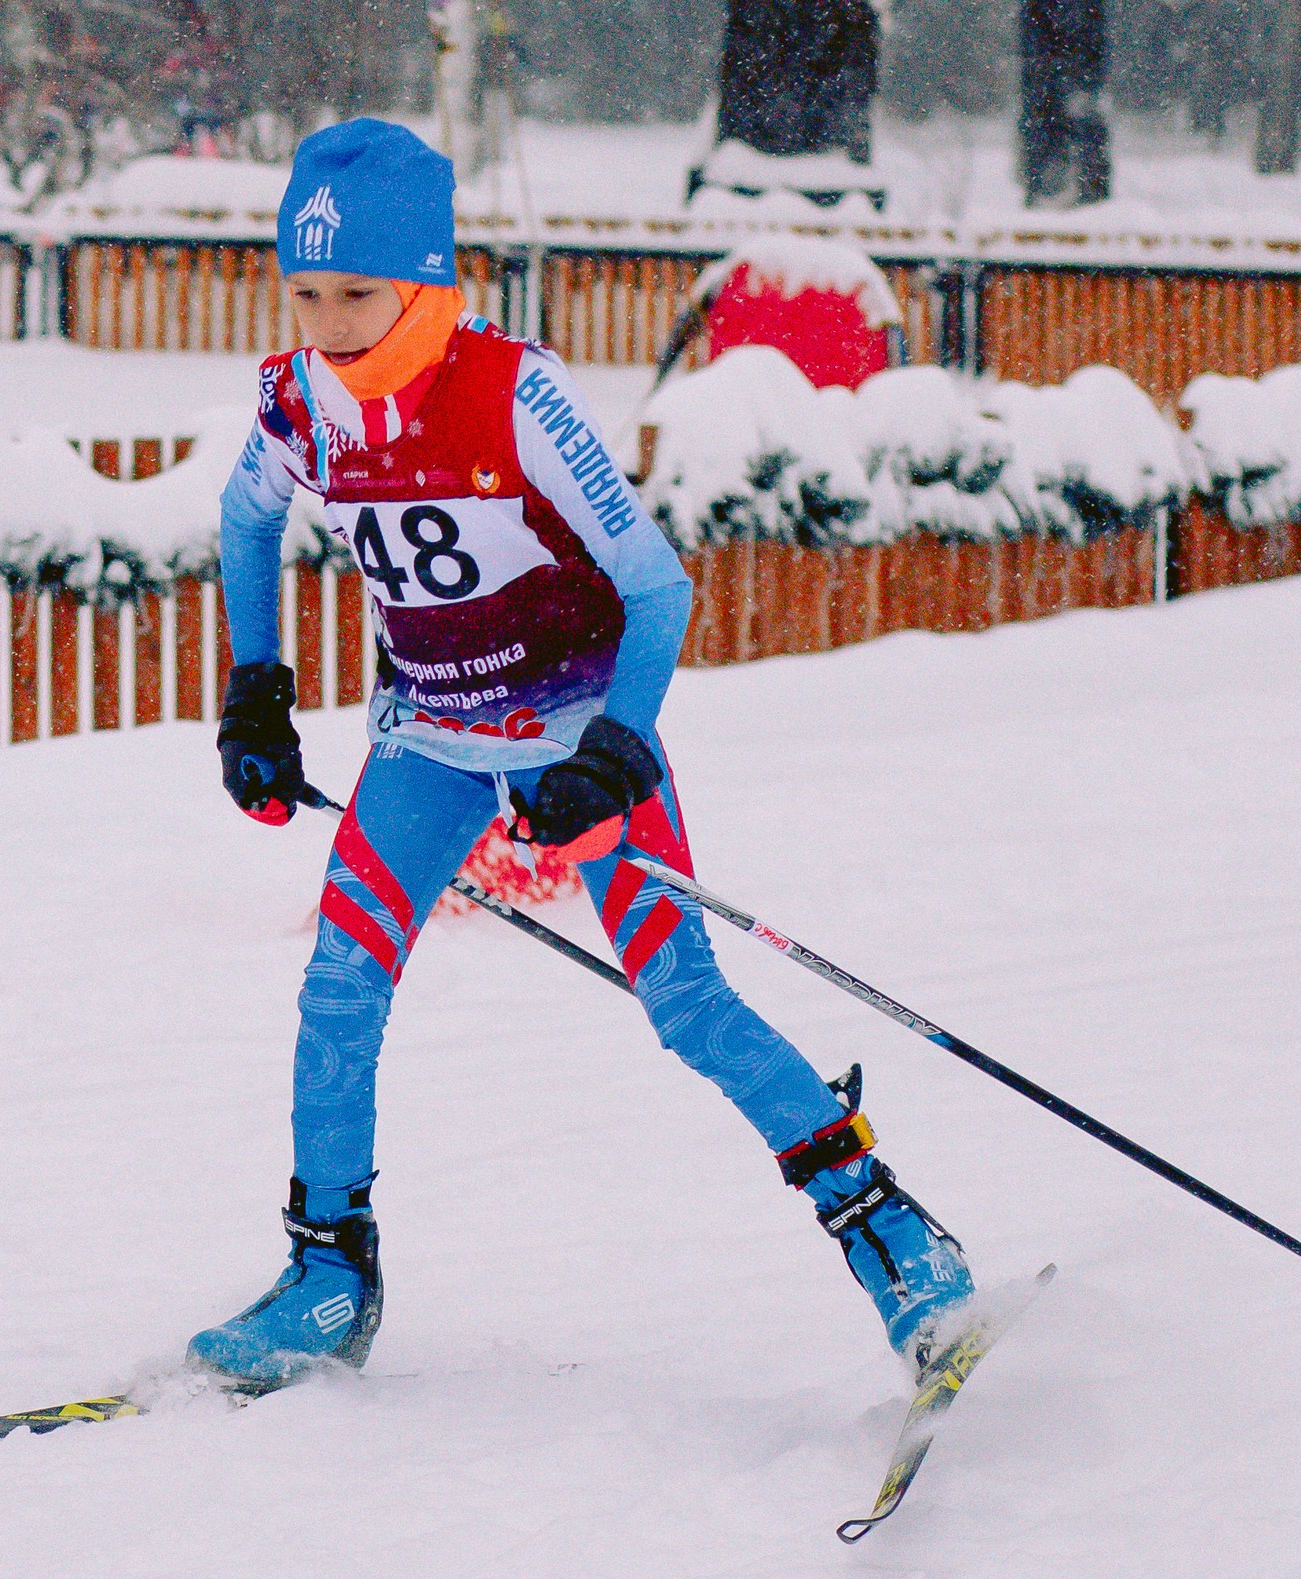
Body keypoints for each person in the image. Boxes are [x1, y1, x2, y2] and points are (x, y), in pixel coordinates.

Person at [189, 119, 976, 1395]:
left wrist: (612, 748)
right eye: (307, 292)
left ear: (427, 282)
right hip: (429, 742)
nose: (328, 321)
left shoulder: (511, 389)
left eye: (358, 294)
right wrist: (257, 692)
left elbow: (657, 588)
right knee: (338, 988)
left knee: (685, 1002)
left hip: (570, 738)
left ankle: (897, 1239)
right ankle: (327, 1272)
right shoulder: (298, 402)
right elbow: (242, 520)